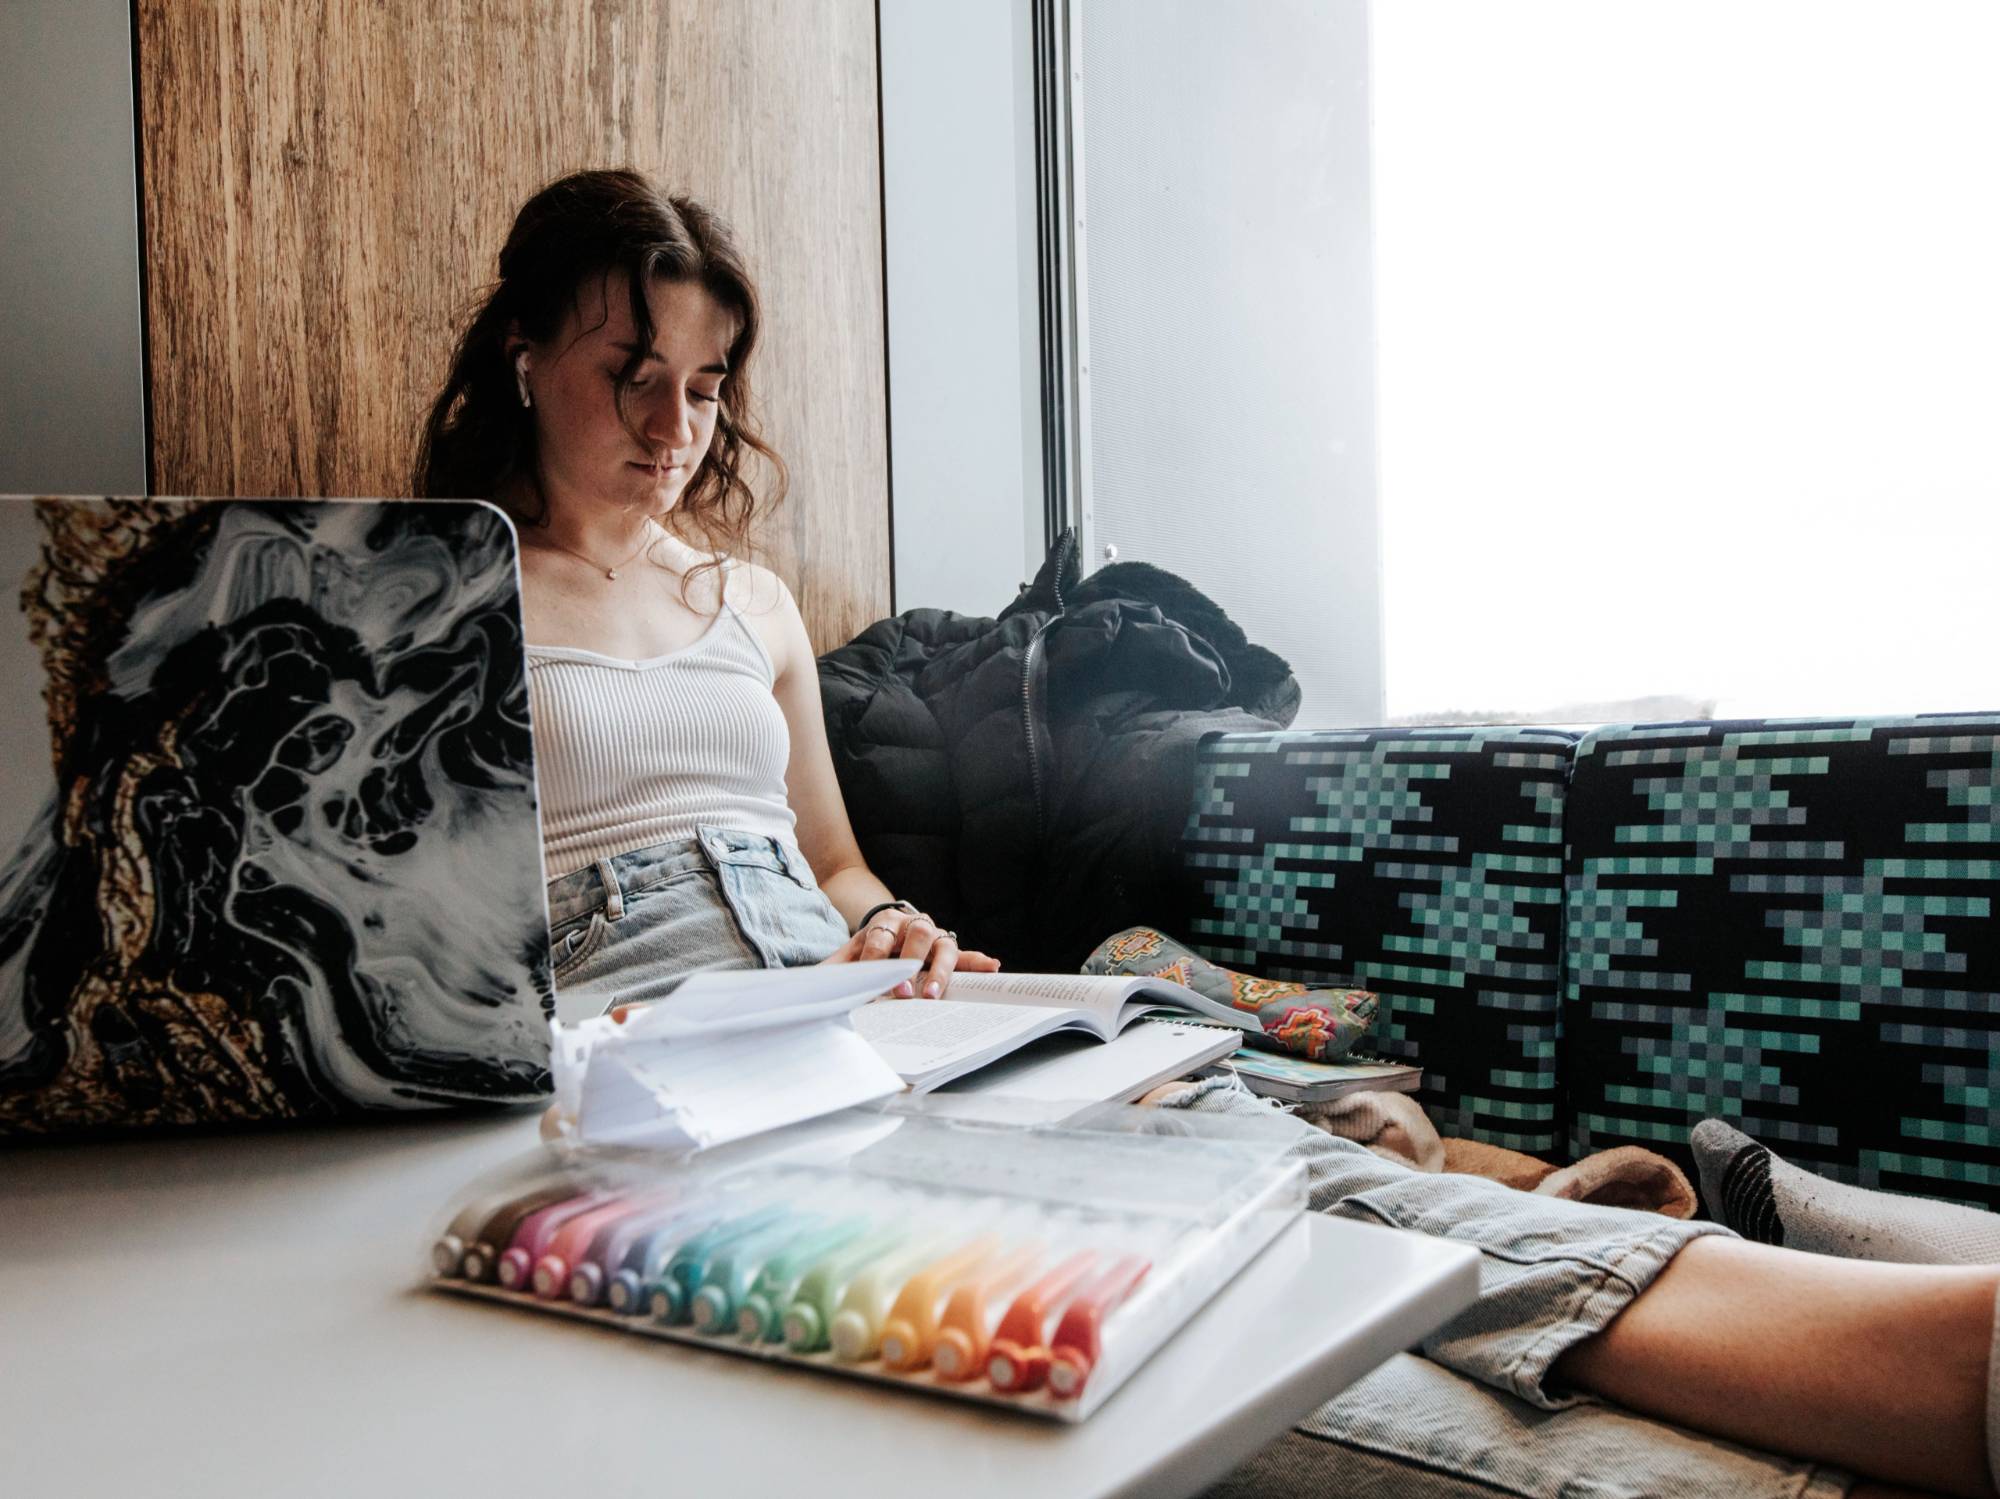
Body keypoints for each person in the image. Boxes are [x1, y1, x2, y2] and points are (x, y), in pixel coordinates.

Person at [415, 168, 1999, 1499]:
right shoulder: (435, 598)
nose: (672, 422)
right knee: (1163, 1267)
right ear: (521, 353)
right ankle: (1834, 1422)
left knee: (1241, 1153)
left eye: (703, 386)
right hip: (640, 1045)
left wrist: (891, 925)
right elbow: (414, 931)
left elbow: (827, 862)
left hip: (837, 1005)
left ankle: (1894, 1352)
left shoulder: (740, 598)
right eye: (630, 370)